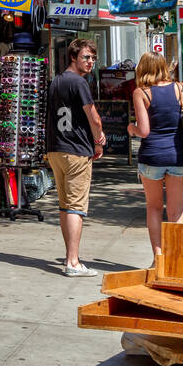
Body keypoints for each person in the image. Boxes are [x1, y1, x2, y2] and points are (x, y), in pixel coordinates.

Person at [45, 38, 105, 277]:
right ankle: (73, 261)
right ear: (73, 57)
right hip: (76, 150)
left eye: (92, 58)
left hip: (56, 148)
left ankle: (71, 256)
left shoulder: (56, 81)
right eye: (86, 57)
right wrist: (99, 141)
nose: (90, 62)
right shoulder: (79, 83)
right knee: (76, 207)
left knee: (65, 206)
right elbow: (95, 118)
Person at [127, 52, 183, 262]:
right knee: (176, 211)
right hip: (178, 156)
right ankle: (176, 257)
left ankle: (159, 257)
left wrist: (131, 128)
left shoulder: (141, 93)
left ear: (143, 69)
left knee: (154, 208)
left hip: (152, 157)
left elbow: (144, 131)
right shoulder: (180, 88)